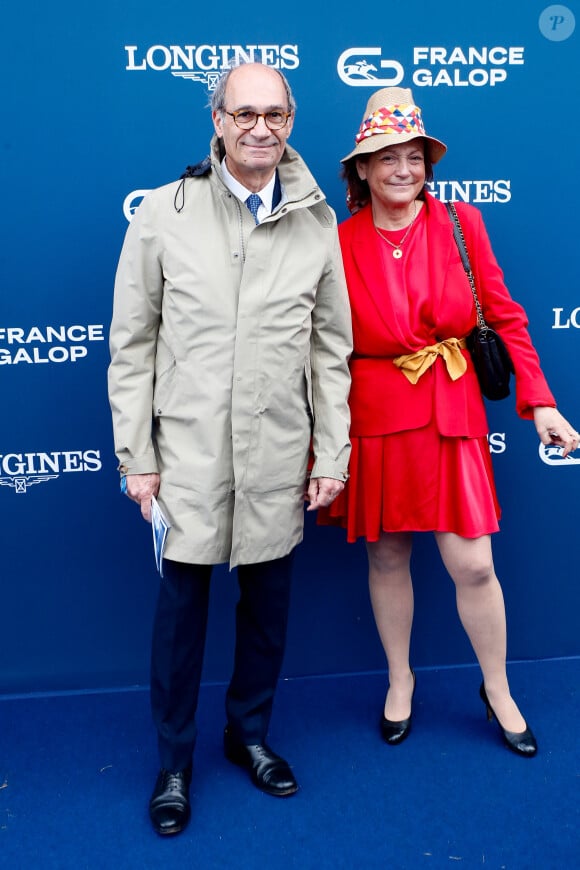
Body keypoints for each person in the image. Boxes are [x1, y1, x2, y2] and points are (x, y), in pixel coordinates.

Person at [108, 62, 352, 836]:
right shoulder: (164, 212)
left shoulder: (316, 220)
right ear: (216, 120)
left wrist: (332, 453)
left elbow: (329, 350)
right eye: (243, 112)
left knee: (267, 613)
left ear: (291, 119)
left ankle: (248, 734)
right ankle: (174, 760)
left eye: (274, 113)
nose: (259, 127)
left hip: (279, 454)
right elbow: (132, 342)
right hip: (186, 457)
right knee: (181, 619)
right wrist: (136, 454)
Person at [319, 86, 579, 757]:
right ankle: (399, 680)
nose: (403, 169)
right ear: (362, 171)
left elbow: (507, 315)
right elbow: (320, 345)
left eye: (414, 156)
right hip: (373, 409)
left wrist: (540, 401)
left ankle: (496, 688)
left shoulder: (461, 224)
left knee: (473, 565)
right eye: (387, 158)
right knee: (387, 553)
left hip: (449, 406)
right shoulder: (338, 241)